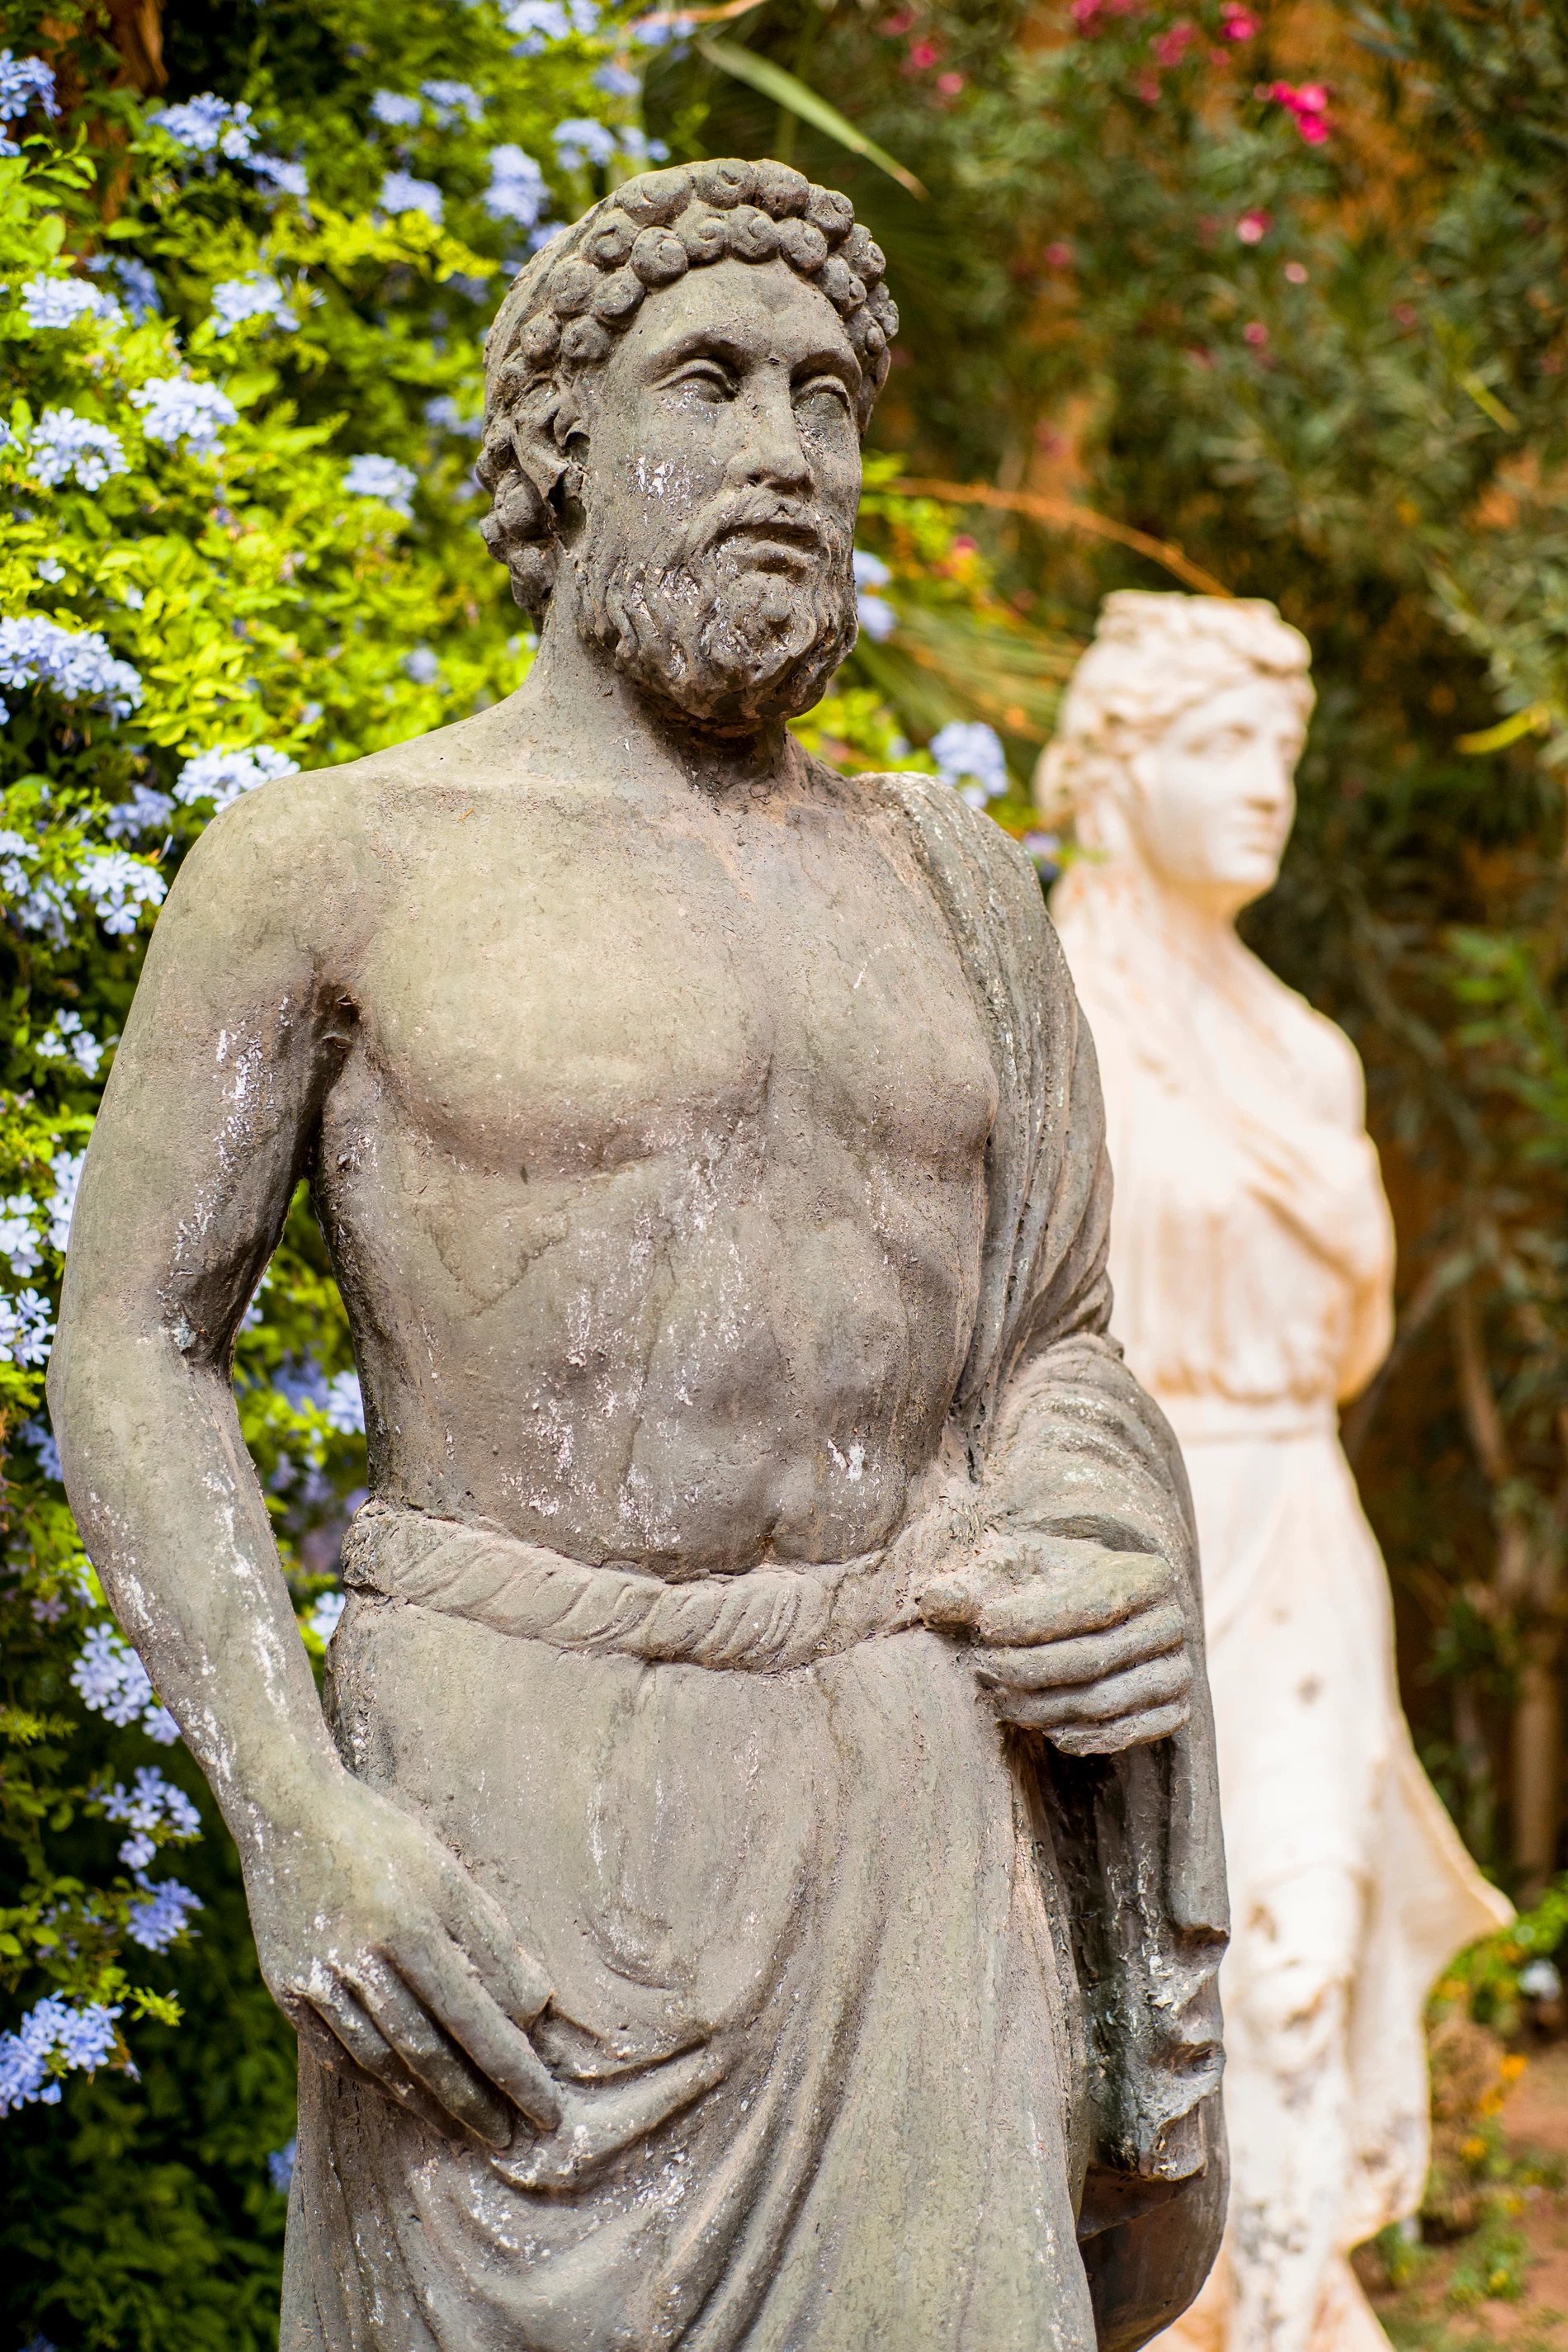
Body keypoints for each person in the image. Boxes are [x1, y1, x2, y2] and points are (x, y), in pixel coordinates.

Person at [50, 168, 1227, 2352]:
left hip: (910, 1808)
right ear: (557, 448)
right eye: (709, 380)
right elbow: (130, 1338)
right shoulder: (338, 863)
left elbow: (1049, 1341)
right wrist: (293, 1805)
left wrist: (1093, 1540)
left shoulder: (952, 885)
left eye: (826, 400)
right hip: (507, 1829)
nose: (783, 449)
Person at [1044, 592, 1510, 2352]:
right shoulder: (1048, 1017)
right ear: (1115, 767)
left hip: (1291, 1526)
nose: (1263, 791)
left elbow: (1350, 1343)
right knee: (1128, 1989)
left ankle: (1290, 2306)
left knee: (1296, 1956)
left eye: (1280, 755)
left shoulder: (1303, 1046)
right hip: (1119, 1532)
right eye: (1218, 748)